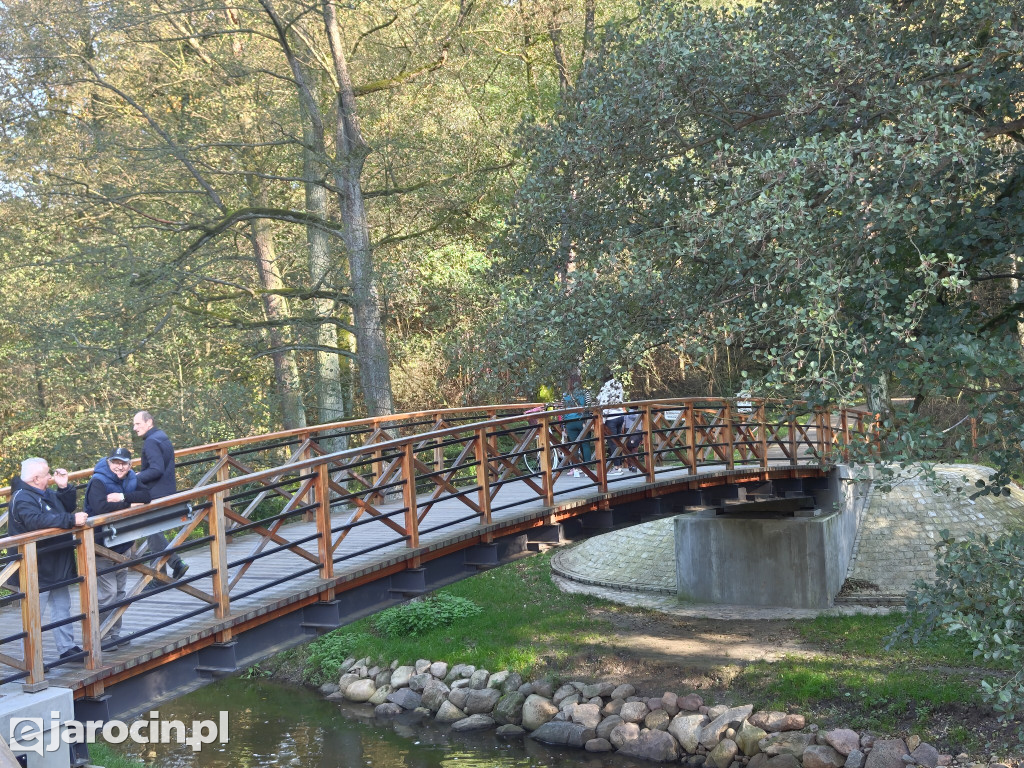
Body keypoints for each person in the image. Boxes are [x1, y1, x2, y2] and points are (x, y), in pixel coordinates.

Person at [8, 457, 89, 661]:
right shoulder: (23, 497)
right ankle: (31, 660)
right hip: (35, 566)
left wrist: (64, 488)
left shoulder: (43, 492)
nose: (50, 477)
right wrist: (71, 520)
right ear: (36, 478)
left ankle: (67, 648)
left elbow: (65, 507)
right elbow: (36, 521)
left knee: (62, 606)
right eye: (47, 475)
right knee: (34, 613)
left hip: (56, 561)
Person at [84, 447, 151, 649]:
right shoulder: (98, 480)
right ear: (108, 462)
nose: (119, 467)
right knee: (108, 594)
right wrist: (131, 503)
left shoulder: (131, 477)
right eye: (115, 463)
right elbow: (100, 508)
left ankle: (115, 634)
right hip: (101, 544)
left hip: (123, 543)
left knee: (120, 591)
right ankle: (101, 636)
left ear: (130, 465)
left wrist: (122, 498)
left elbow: (146, 496)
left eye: (123, 463)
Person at [133, 411, 188, 582]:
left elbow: (156, 469)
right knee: (153, 533)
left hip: (156, 493)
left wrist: (136, 477)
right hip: (166, 490)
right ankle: (162, 575)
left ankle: (170, 568)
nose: (134, 428)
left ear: (149, 422)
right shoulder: (161, 436)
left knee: (152, 531)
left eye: (137, 424)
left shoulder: (150, 442)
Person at [561, 372, 595, 477]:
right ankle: (587, 468)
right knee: (585, 444)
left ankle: (575, 468)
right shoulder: (585, 392)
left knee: (574, 445)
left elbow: (563, 410)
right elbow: (589, 406)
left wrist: (563, 425)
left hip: (569, 422)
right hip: (582, 421)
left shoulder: (565, 394)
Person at [597, 369, 628, 474]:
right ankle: (619, 466)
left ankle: (617, 467)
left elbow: (605, 404)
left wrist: (602, 420)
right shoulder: (618, 384)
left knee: (613, 443)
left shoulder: (606, 387)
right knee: (618, 441)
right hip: (620, 415)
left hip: (611, 418)